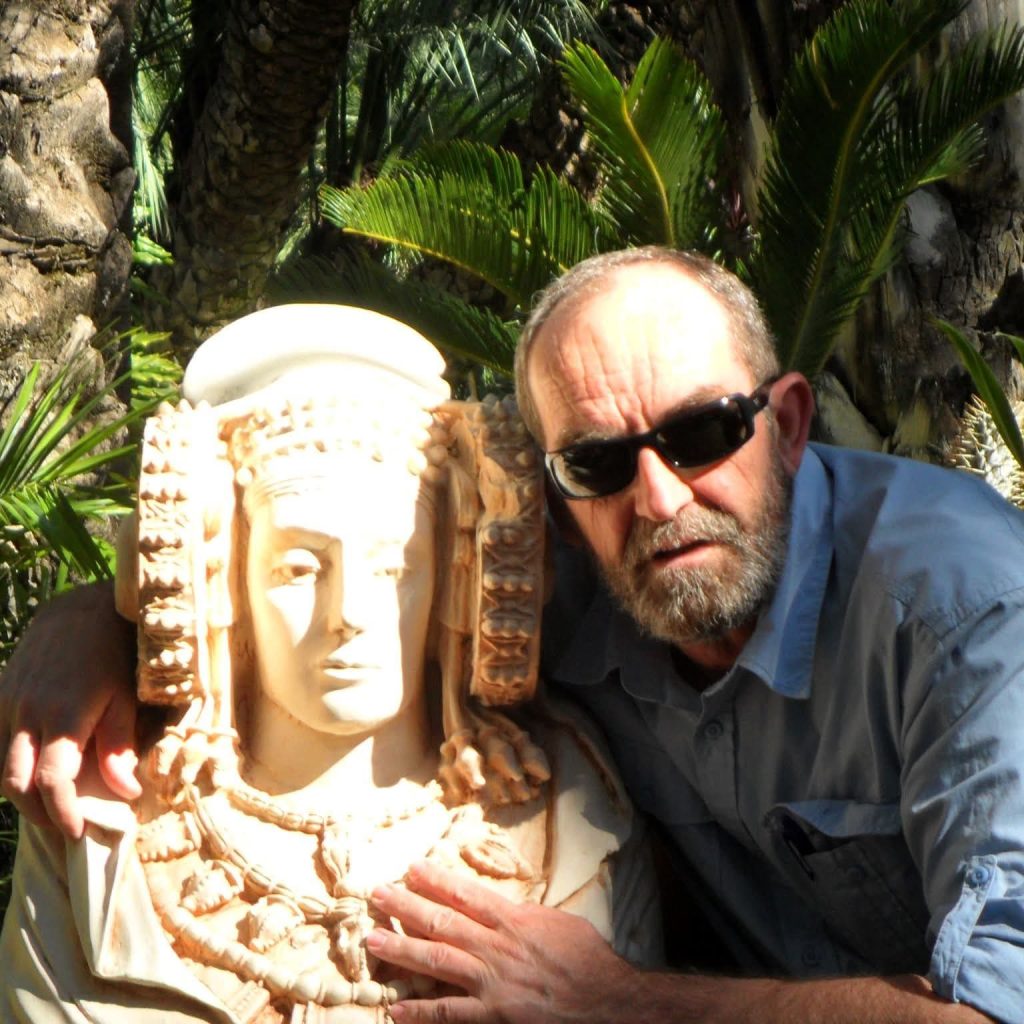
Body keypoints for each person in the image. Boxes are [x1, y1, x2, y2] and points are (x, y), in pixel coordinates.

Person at [3, 247, 1023, 1024]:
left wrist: (620, 1001)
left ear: (789, 424)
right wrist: (97, 619)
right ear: (543, 501)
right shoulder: (581, 580)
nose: (660, 498)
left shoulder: (962, 612)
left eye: (703, 433)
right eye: (596, 462)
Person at [0, 304, 658, 1022]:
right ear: (218, 585)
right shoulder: (101, 826)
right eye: (299, 568)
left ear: (459, 582)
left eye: (392, 567)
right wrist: (90, 617)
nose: (350, 611)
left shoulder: (571, 820)